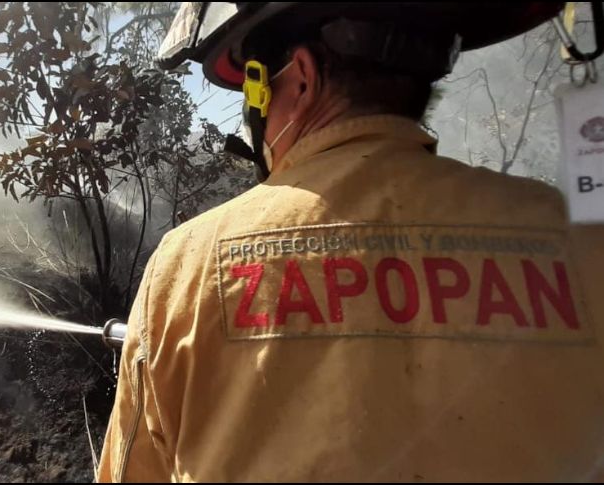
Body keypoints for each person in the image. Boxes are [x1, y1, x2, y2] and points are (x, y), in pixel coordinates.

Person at [99, 3, 604, 481]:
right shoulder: (579, 242)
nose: (253, 120)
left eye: (255, 93)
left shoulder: (187, 265)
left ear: (300, 77)